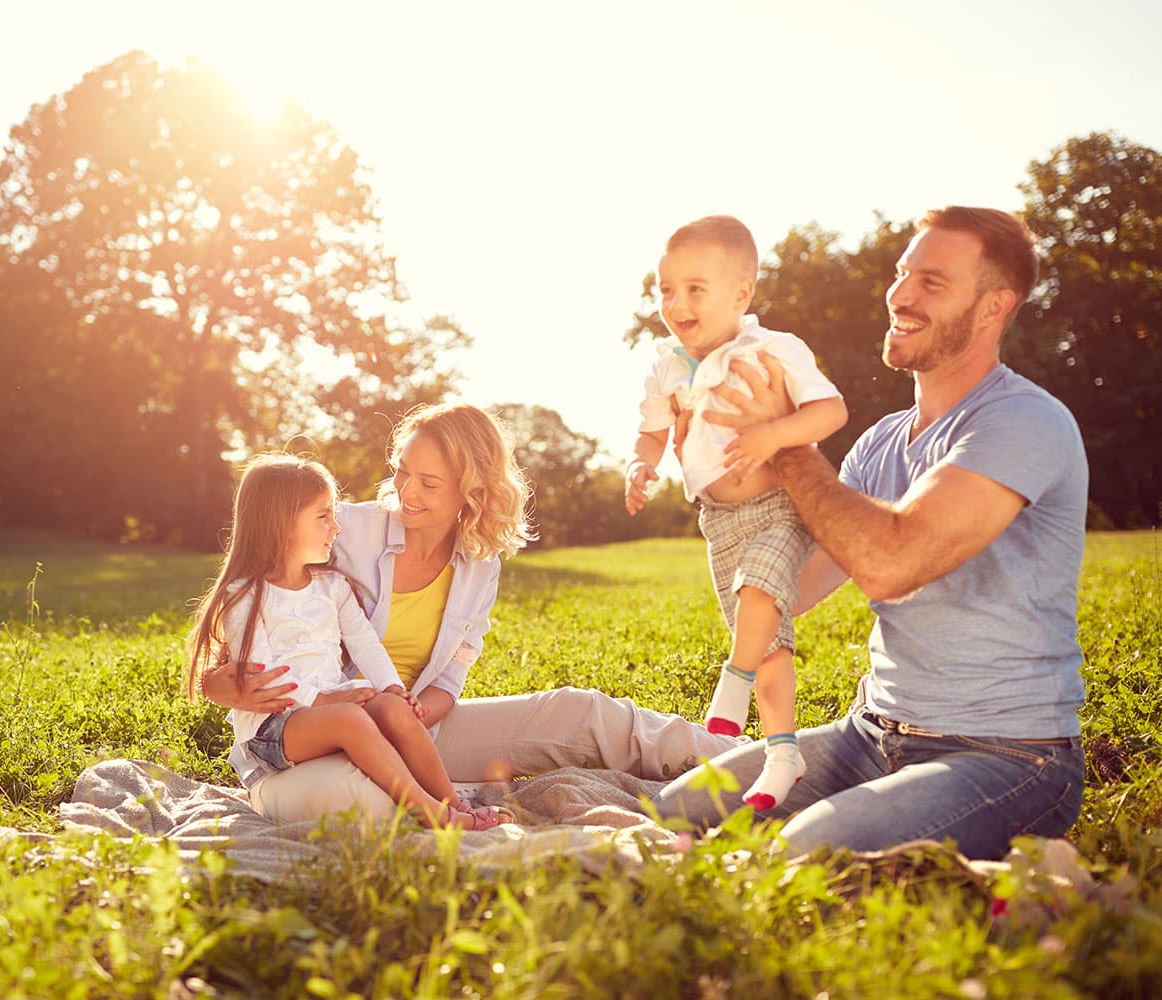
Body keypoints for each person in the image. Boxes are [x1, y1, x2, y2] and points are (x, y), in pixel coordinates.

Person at [651, 206, 1088, 861]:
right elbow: (790, 592)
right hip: (871, 734)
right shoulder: (880, 443)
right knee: (674, 811)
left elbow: (890, 563)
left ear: (995, 305)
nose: (900, 294)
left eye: (931, 282)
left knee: (804, 850)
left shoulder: (1021, 422)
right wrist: (722, 480)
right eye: (901, 272)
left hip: (1008, 756)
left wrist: (786, 444)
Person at [199, 402, 741, 823]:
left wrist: (414, 711)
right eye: (402, 471)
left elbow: (456, 665)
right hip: (325, 737)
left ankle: (752, 761)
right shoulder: (344, 532)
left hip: (415, 728)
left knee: (582, 712)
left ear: (471, 489)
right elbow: (253, 612)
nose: (405, 491)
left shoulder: (479, 563)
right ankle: (444, 804)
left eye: (429, 483)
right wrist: (220, 685)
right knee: (359, 799)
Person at [626, 215, 848, 810]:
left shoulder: (773, 349)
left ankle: (733, 683)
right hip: (717, 521)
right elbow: (650, 433)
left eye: (695, 288)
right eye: (666, 289)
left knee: (760, 591)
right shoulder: (665, 365)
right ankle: (783, 752)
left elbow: (830, 412)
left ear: (741, 293)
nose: (676, 302)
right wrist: (642, 465)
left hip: (779, 506)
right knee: (771, 641)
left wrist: (774, 434)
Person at [185, 453, 504, 830]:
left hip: (330, 712)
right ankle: (430, 812)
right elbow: (264, 676)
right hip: (274, 729)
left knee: (392, 709)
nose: (335, 528)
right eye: (323, 517)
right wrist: (322, 701)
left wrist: (392, 688)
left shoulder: (332, 586)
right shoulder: (246, 597)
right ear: (280, 524)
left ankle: (451, 803)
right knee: (350, 717)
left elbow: (365, 642)